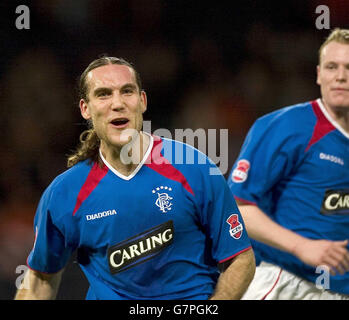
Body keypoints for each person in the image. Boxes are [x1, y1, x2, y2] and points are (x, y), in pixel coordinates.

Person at [15, 56, 255, 300]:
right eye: (104, 94)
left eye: (126, 91)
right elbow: (39, 282)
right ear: (85, 108)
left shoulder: (194, 168)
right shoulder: (65, 193)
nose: (117, 103)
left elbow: (239, 257)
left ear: (142, 101)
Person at [228, 28, 349, 300]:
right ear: (319, 74)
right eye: (332, 67)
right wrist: (301, 246)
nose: (340, 76)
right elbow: (237, 208)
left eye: (348, 68)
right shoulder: (287, 127)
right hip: (285, 283)